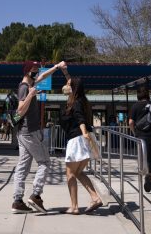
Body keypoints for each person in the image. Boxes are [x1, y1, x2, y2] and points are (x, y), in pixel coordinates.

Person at [11, 60, 66, 214]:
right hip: (30, 131)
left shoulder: (31, 82)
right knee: (45, 162)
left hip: (24, 132)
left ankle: (17, 201)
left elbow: (43, 76)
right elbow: (20, 111)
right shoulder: (24, 88)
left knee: (23, 167)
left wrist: (56, 67)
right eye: (34, 69)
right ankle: (36, 195)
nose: (37, 72)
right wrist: (30, 95)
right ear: (27, 71)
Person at [59, 76, 103, 215]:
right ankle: (95, 198)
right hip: (85, 139)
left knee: (70, 174)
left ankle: (74, 206)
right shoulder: (82, 100)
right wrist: (64, 70)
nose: (65, 86)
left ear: (74, 87)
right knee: (78, 173)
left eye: (68, 84)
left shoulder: (76, 102)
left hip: (77, 139)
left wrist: (83, 132)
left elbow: (79, 118)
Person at [128, 86, 151, 193]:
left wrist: (134, 132)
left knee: (142, 158)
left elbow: (131, 122)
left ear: (138, 95)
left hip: (141, 136)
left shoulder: (135, 107)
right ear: (148, 95)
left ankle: (145, 176)